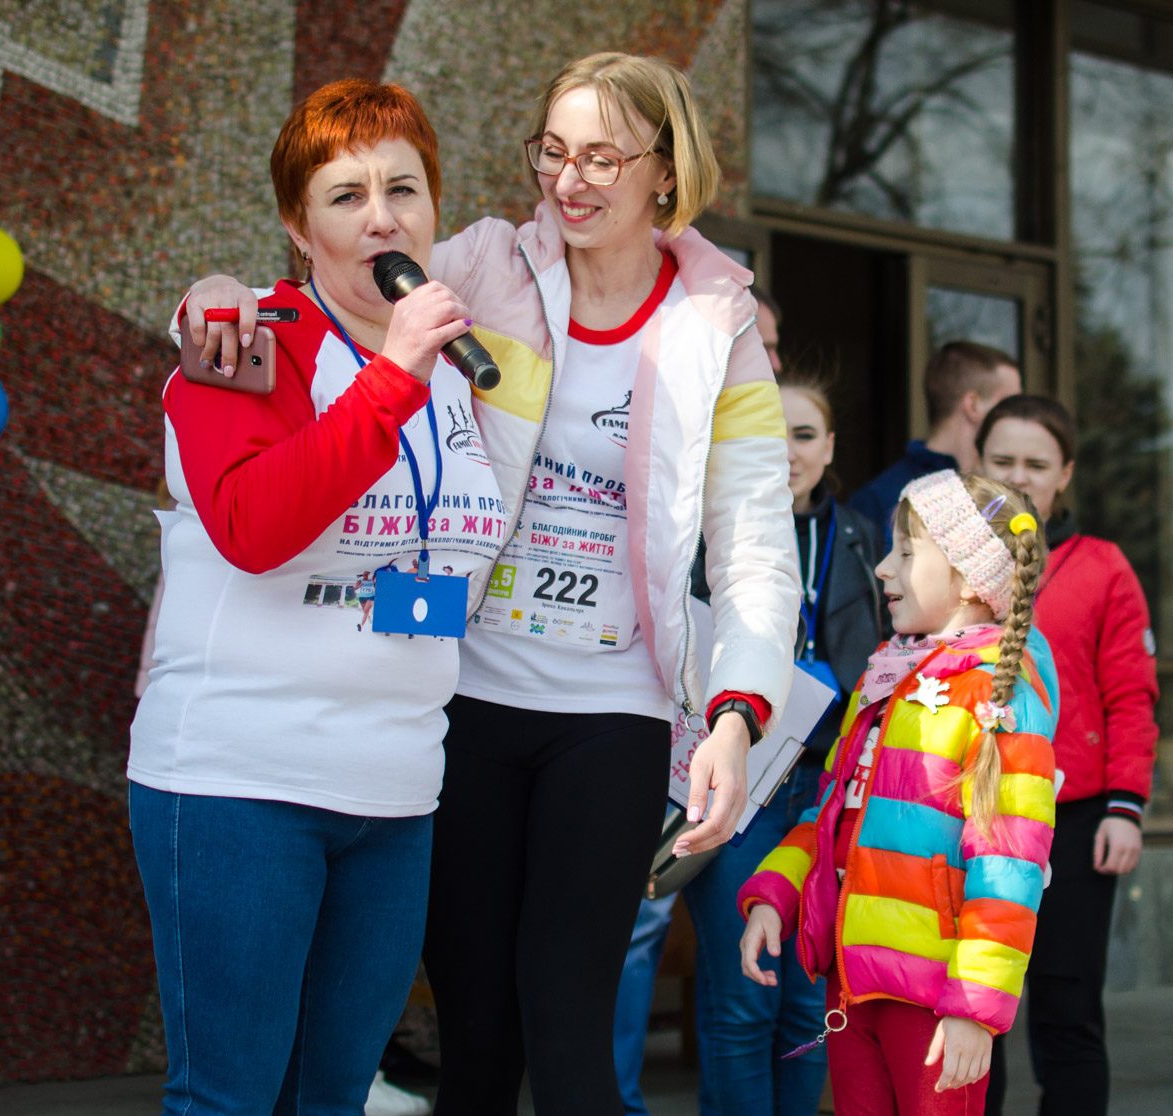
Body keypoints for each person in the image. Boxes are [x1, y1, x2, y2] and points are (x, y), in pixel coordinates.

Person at [181, 53, 800, 1115]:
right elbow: (343, 289)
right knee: (474, 1037)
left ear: (667, 170)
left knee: (567, 1030)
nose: (568, 181)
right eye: (552, 152)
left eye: (602, 157)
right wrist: (221, 296)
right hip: (462, 690)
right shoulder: (484, 262)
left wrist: (737, 715)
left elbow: (751, 542)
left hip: (612, 706)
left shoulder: (717, 322)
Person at [127, 80, 509, 1115]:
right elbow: (253, 527)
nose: (381, 217)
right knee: (230, 1098)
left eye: (403, 189)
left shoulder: (453, 364)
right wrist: (390, 378)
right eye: (346, 196)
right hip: (240, 779)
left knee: (333, 1098)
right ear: (298, 228)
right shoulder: (242, 339)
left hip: (395, 790)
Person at [740, 470, 1058, 1116]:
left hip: (935, 998)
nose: (883, 568)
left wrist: (974, 1005)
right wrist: (777, 893)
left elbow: (1010, 864)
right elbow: (831, 812)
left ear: (968, 580)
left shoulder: (999, 695)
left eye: (907, 553)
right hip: (853, 982)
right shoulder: (883, 678)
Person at [612, 364, 883, 1114]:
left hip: (824, 791)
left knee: (806, 1004)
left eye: (804, 434)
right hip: (740, 780)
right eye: (771, 431)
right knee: (740, 999)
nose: (788, 449)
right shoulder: (711, 530)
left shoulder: (861, 538)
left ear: (830, 447)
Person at [975, 395, 1158, 1116]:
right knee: (970, 1010)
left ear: (1065, 474)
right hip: (970, 813)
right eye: (1002, 461)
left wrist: (1126, 808)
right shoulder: (943, 562)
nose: (1019, 477)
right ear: (976, 465)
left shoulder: (1102, 567)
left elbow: (1131, 695)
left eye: (1036, 463)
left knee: (1068, 1009)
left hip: (1075, 818)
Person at [850, 342, 1021, 550]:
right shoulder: (876, 501)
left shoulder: (1008, 486)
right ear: (973, 405)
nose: (1018, 416)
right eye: (1009, 404)